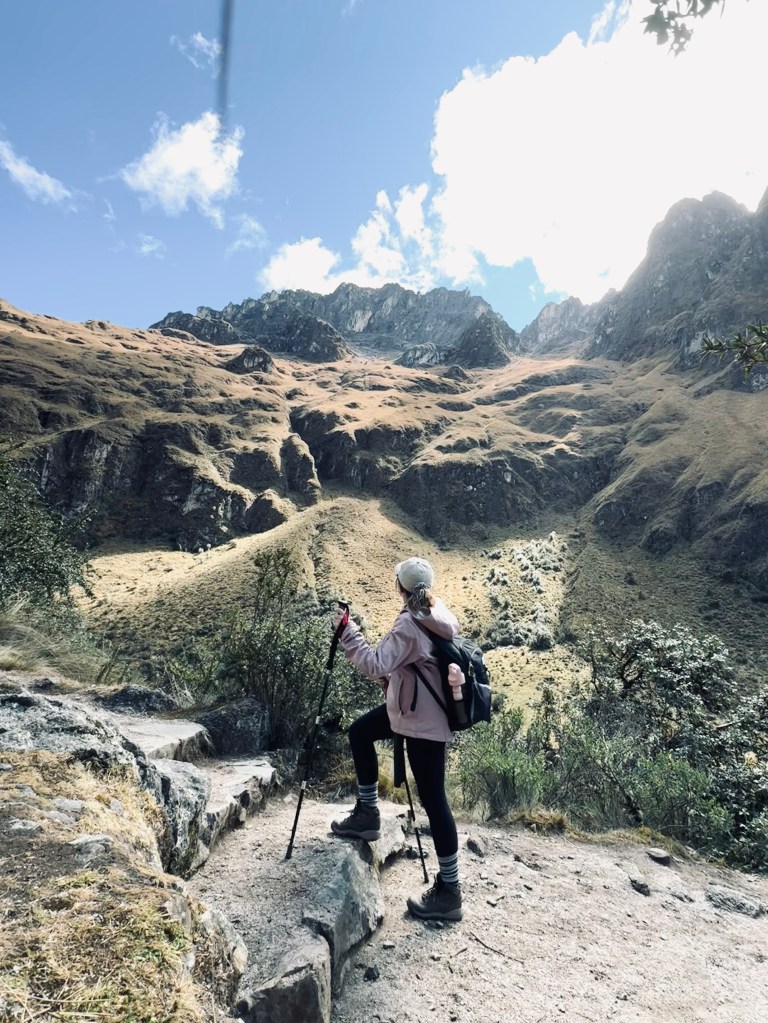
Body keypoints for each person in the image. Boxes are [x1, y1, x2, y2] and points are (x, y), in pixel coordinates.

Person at [330, 556, 463, 922]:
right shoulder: (436, 614)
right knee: (361, 732)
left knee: (435, 801)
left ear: (400, 588)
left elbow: (375, 663)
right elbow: (414, 667)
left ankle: (450, 893)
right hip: (414, 713)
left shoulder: (409, 622)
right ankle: (367, 813)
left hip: (419, 722)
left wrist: (348, 633)